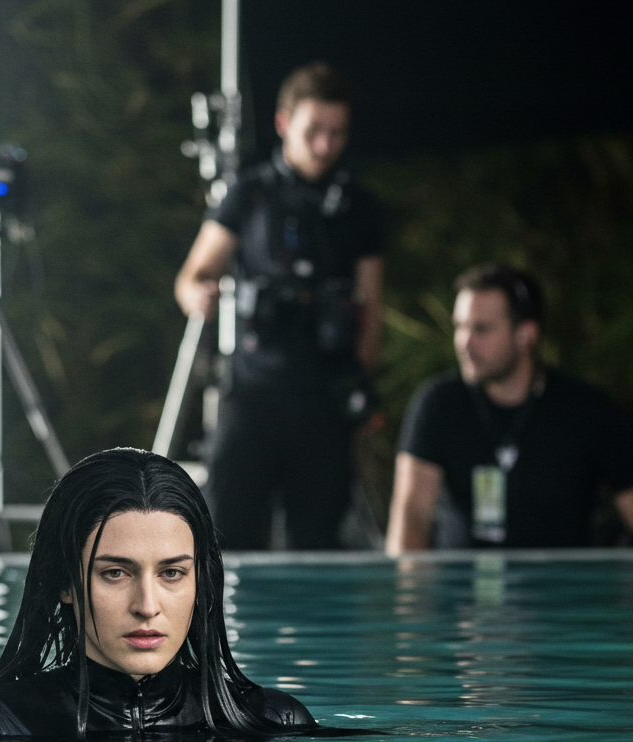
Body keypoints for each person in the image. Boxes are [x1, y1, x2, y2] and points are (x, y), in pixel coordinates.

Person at [0, 448, 317, 741]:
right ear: (65, 583)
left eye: (172, 573)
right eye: (115, 573)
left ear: (201, 584)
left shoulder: (272, 721)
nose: (147, 606)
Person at [174, 61, 385, 550]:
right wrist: (199, 293)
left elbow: (371, 308)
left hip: (324, 401)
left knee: (316, 545)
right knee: (226, 536)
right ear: (283, 122)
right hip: (253, 393)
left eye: (337, 133)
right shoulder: (249, 193)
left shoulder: (359, 207)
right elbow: (191, 276)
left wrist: (361, 388)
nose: (325, 145)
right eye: (314, 131)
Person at [386, 264, 633, 552]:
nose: (464, 342)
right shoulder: (439, 404)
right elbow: (410, 518)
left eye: (481, 329)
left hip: (560, 579)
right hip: (461, 579)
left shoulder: (589, 411)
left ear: (525, 335)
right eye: (460, 327)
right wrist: (410, 580)